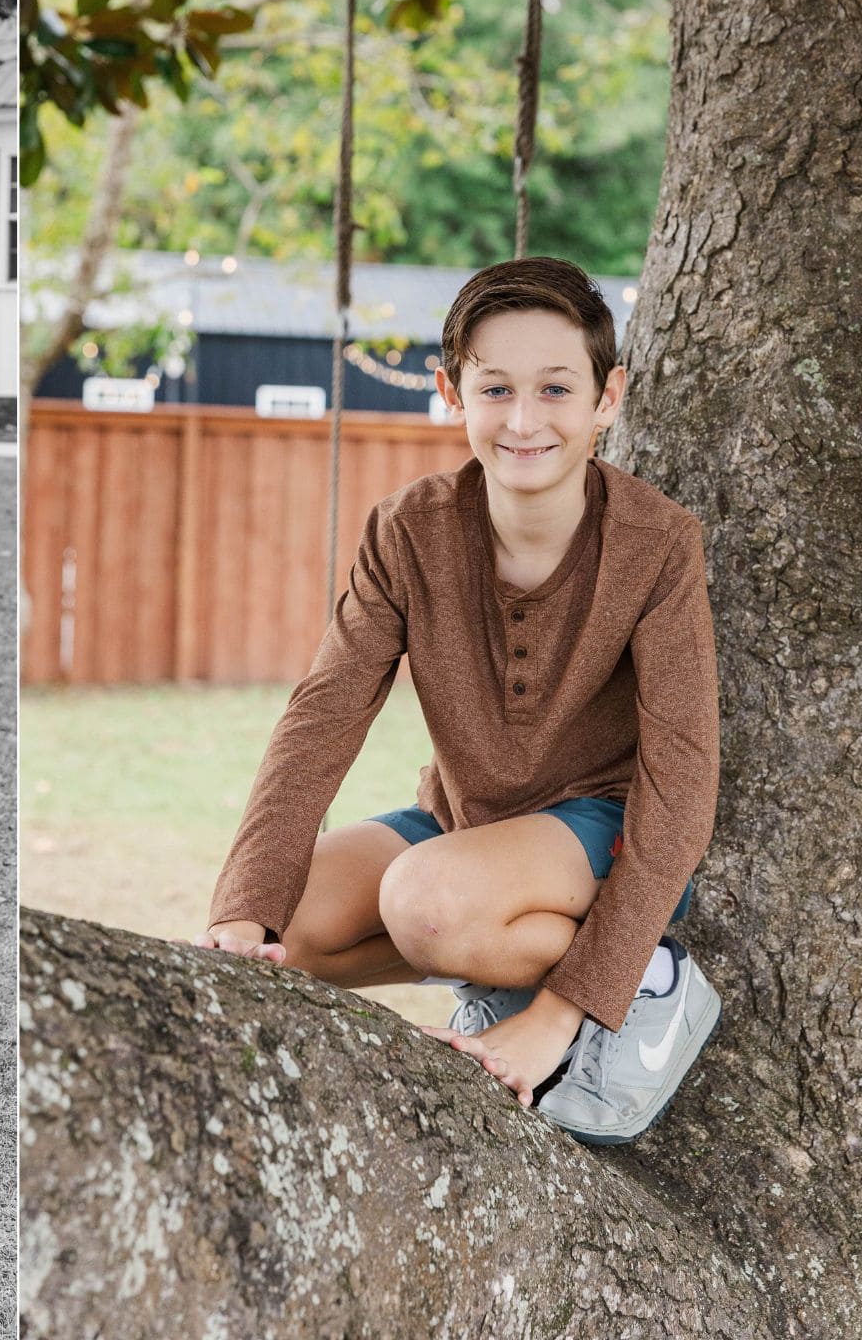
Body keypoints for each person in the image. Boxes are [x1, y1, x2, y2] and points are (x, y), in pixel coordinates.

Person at [197, 257, 721, 1145]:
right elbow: (321, 718)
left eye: (556, 389)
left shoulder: (658, 544)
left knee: (426, 904)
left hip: (599, 828)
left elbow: (682, 784)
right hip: (465, 824)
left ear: (607, 397)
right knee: (294, 927)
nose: (524, 420)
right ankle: (493, 961)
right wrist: (239, 914)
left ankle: (645, 982)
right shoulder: (408, 530)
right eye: (496, 389)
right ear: (452, 393)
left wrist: (558, 1016)